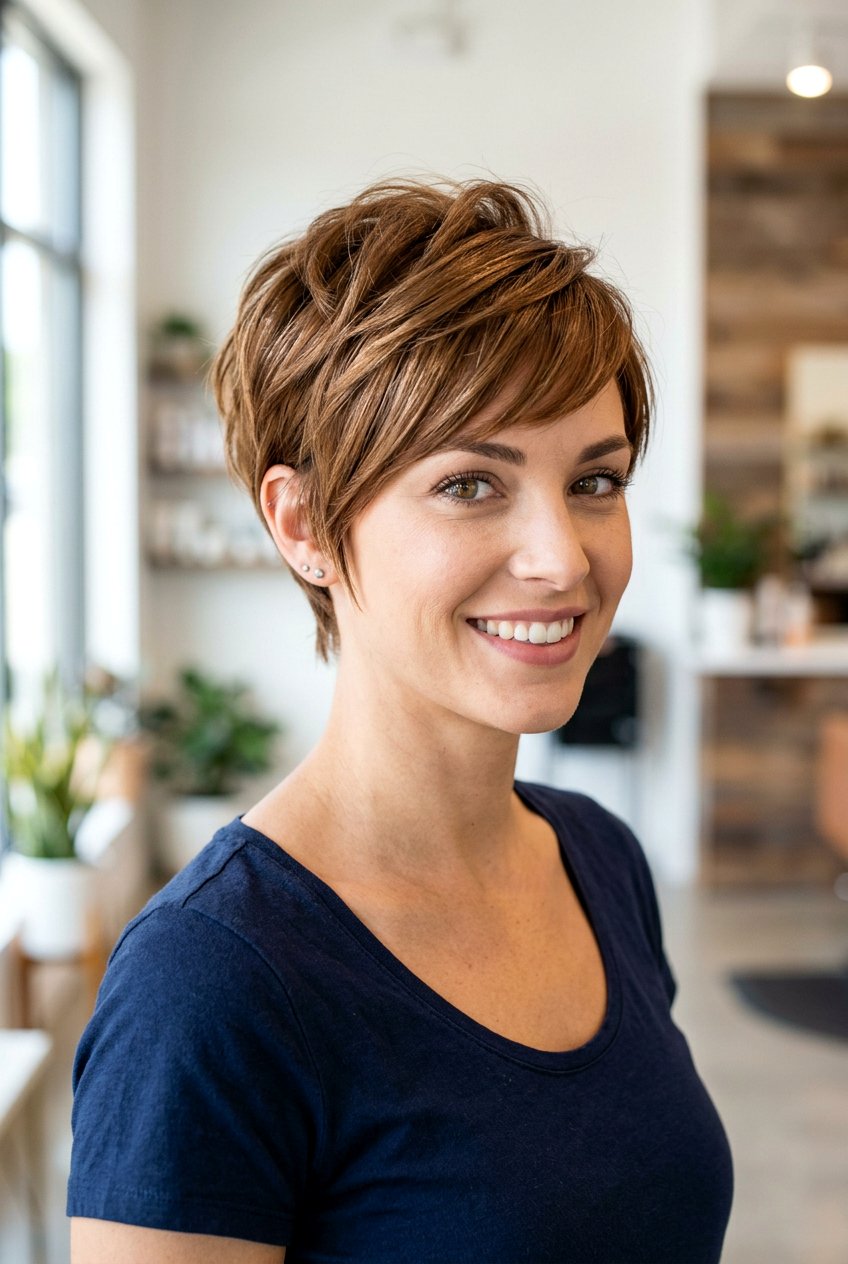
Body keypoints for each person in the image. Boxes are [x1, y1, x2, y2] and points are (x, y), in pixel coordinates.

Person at [68, 178, 734, 1264]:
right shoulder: (212, 984)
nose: (562, 559)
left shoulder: (601, 859)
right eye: (471, 483)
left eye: (594, 479)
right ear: (303, 525)